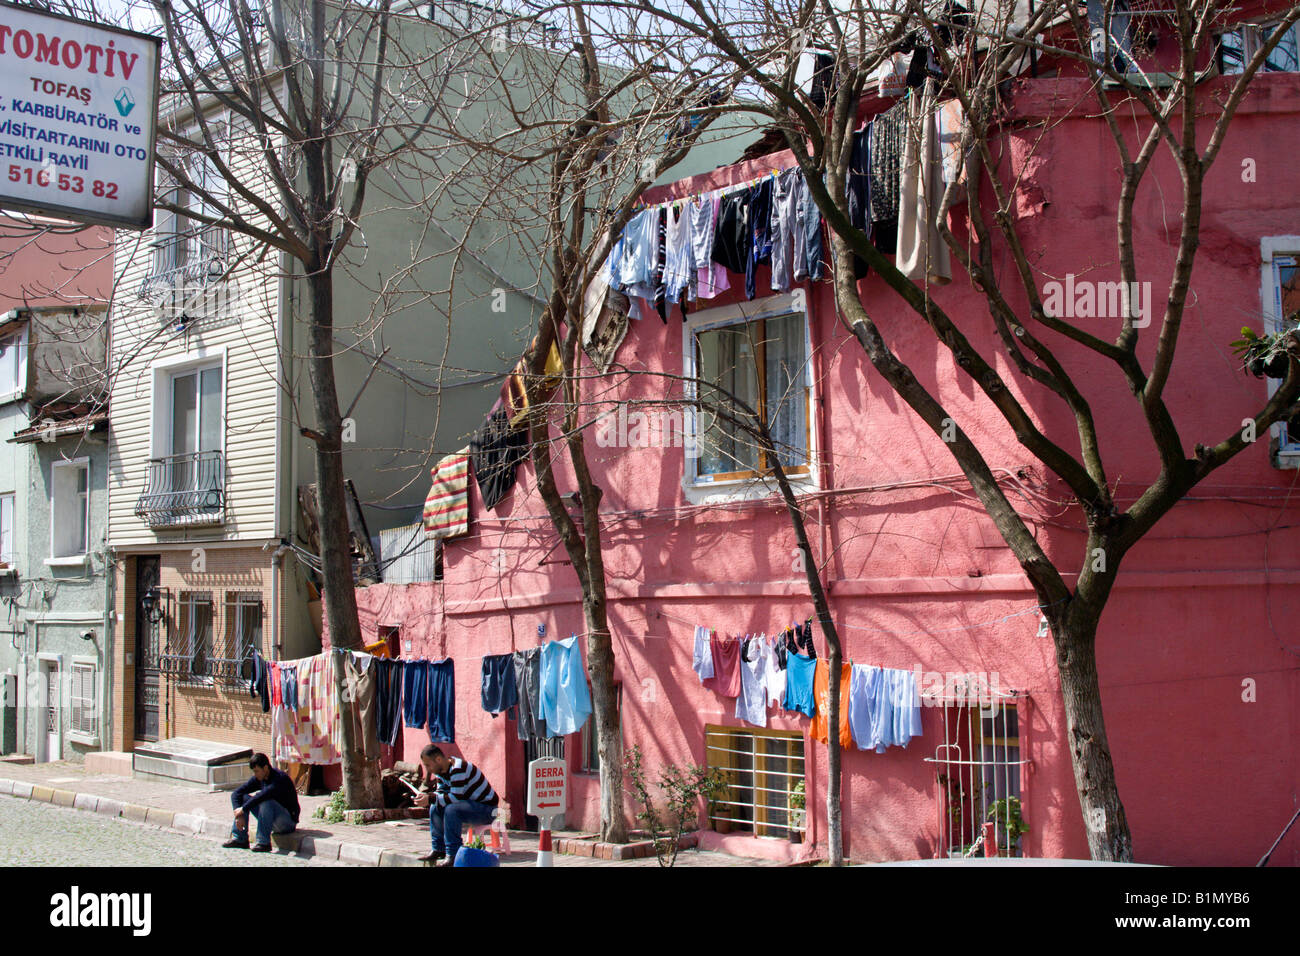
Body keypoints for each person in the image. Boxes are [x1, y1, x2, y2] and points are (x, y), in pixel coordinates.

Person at [413, 744, 499, 866]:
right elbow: (440, 794)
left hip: (488, 809)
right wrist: (427, 798)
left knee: (451, 809)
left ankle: (453, 853)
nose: (427, 769)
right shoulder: (441, 772)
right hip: (469, 806)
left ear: (438, 760)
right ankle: (438, 849)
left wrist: (431, 798)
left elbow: (455, 798)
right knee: (435, 807)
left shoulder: (458, 768)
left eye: (428, 765)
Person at [222, 753, 301, 852]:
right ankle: (240, 838)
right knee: (244, 798)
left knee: (266, 801)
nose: (255, 774)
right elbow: (236, 793)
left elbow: (262, 795)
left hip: (287, 823)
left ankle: (263, 842)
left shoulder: (279, 779)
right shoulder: (260, 778)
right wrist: (239, 814)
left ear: (265, 768)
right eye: (254, 772)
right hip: (270, 818)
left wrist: (243, 809)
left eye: (257, 771)